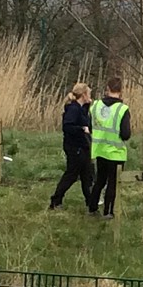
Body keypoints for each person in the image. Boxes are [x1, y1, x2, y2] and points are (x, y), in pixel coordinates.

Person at [87, 77, 132, 219]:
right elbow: (125, 134)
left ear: (107, 88)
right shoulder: (122, 109)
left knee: (100, 180)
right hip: (116, 153)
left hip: (99, 150)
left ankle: (92, 207)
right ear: (121, 90)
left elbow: (90, 126)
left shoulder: (95, 105)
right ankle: (108, 211)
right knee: (113, 183)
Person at [48, 82, 93, 211]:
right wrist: (82, 129)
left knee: (87, 175)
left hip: (83, 147)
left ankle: (91, 204)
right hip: (75, 148)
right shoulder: (73, 109)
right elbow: (67, 127)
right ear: (83, 94)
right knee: (72, 175)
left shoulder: (81, 108)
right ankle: (55, 201)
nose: (90, 96)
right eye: (88, 93)